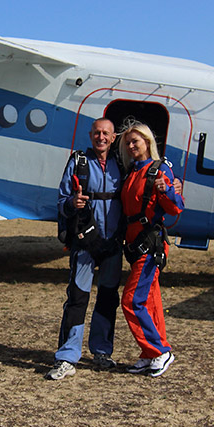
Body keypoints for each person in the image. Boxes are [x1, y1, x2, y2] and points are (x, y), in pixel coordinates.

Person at [48, 117, 124, 380]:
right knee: (78, 298)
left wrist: (173, 184)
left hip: (112, 243)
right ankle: (67, 356)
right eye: (97, 133)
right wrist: (72, 203)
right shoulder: (78, 162)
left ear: (113, 138)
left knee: (108, 298)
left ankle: (101, 351)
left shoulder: (122, 164)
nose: (101, 137)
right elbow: (61, 200)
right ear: (91, 135)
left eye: (106, 133)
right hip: (85, 241)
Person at [118, 120, 183, 377]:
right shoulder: (131, 172)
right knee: (151, 301)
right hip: (135, 245)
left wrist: (166, 190)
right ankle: (149, 354)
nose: (131, 146)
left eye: (135, 141)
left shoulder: (158, 171)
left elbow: (176, 208)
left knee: (132, 301)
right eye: (128, 143)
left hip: (150, 244)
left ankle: (159, 351)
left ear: (147, 142)